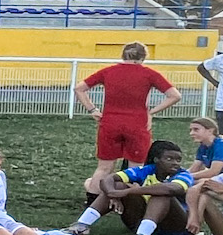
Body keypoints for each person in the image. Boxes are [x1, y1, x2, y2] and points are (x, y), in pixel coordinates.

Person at [64, 139, 194, 235]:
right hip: (140, 220)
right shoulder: (147, 170)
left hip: (174, 226)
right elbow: (108, 179)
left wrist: (128, 192)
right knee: (119, 185)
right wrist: (112, 193)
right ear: (156, 159)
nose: (175, 163)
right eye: (169, 159)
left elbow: (171, 189)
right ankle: (81, 225)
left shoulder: (183, 174)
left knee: (161, 193)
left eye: (178, 160)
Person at [75, 42, 182, 179]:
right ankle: (129, 198)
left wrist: (93, 109)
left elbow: (79, 88)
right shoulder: (149, 74)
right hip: (137, 124)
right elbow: (175, 96)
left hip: (110, 123)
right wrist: (151, 112)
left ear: (123, 55)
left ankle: (93, 199)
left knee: (104, 168)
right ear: (143, 57)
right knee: (136, 169)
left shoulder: (108, 71)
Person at [180, 117, 223, 235]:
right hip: (219, 183)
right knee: (193, 185)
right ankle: (191, 231)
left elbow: (214, 172)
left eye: (196, 129)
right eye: (191, 130)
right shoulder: (204, 146)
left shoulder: (222, 145)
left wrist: (186, 177)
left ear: (210, 130)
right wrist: (180, 177)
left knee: (200, 187)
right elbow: (195, 168)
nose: (191, 133)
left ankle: (192, 233)